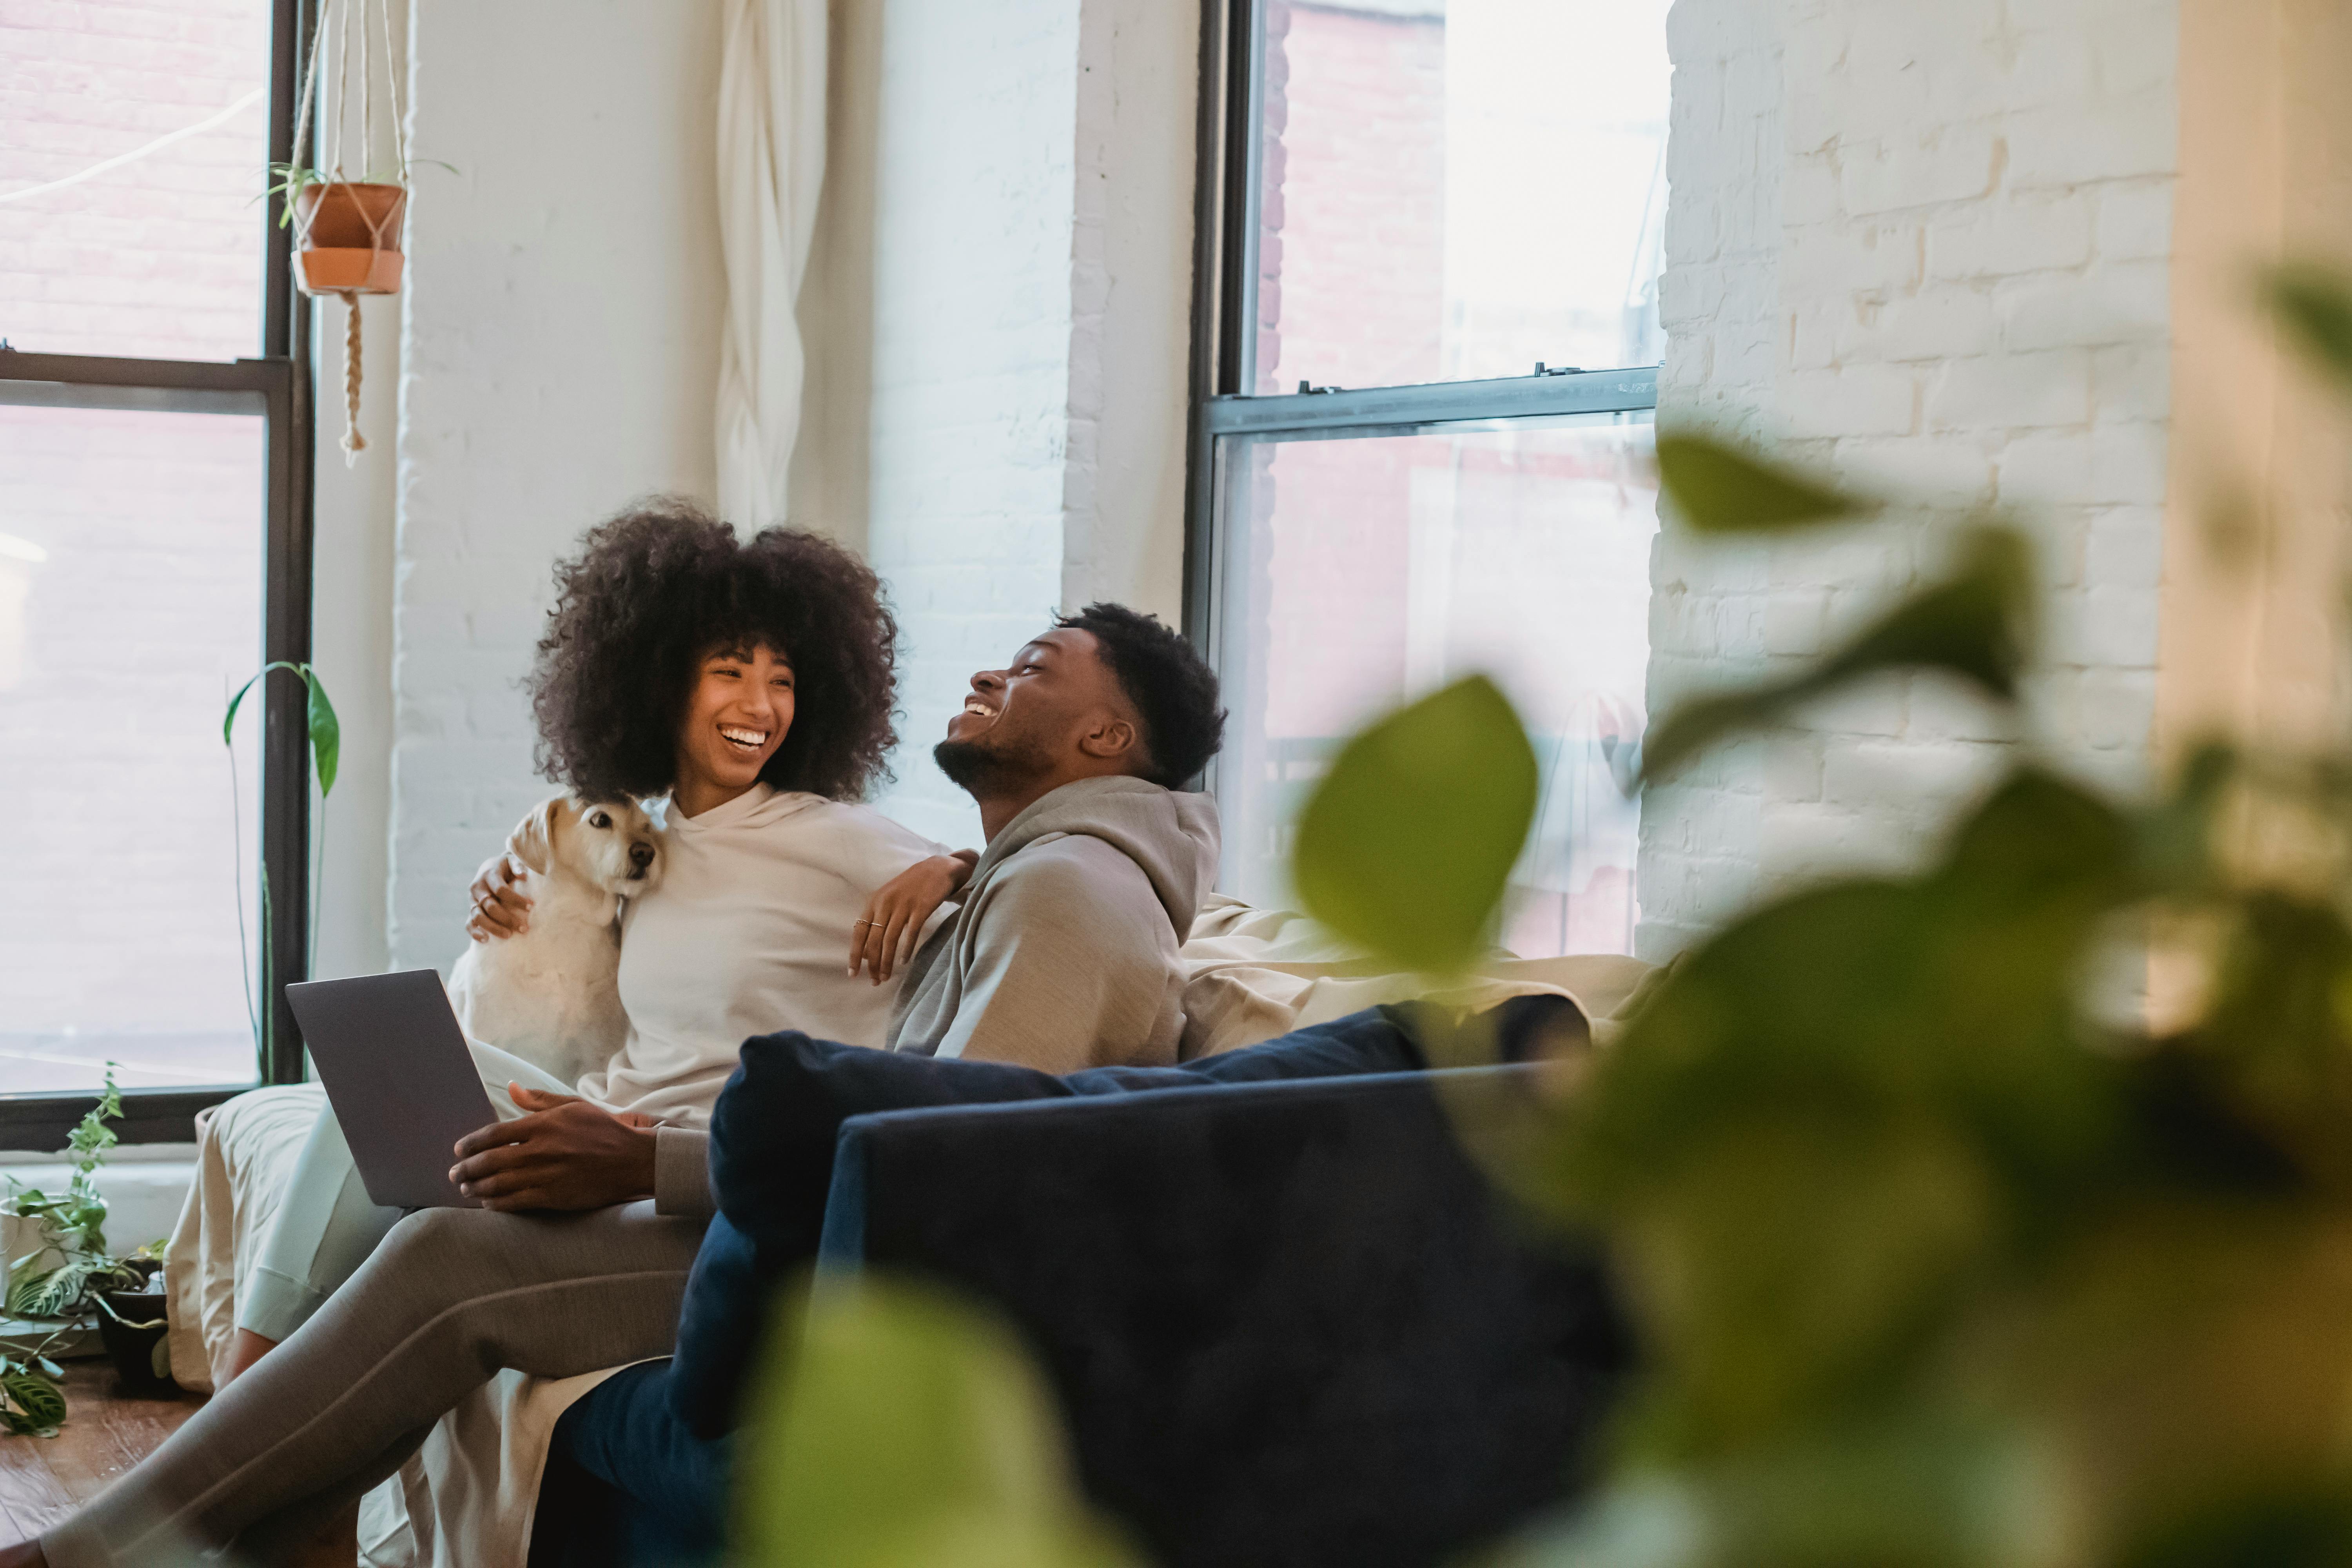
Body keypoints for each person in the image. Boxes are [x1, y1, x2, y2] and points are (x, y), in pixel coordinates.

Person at [5, 604, 1225, 1568]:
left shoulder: (1063, 890)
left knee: (450, 1258)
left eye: (1030, 666)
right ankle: (206, 1531)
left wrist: (650, 1160)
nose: (987, 678)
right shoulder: (1047, 873)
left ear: (1106, 740)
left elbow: (965, 1156)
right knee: (415, 1157)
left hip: (871, 1274)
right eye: (723, 671)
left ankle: (95, 1552)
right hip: (821, 1211)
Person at [207, 495, 967, 1392]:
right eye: (730, 671)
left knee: (404, 1177)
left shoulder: (830, 833)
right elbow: (568, 875)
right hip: (588, 1111)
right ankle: (249, 1380)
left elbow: (1022, 887)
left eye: (785, 680)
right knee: (381, 1069)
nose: (760, 706)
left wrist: (954, 863)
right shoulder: (651, 844)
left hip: (667, 1161)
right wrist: (502, 877)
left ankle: (239, 1394)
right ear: (658, 681)